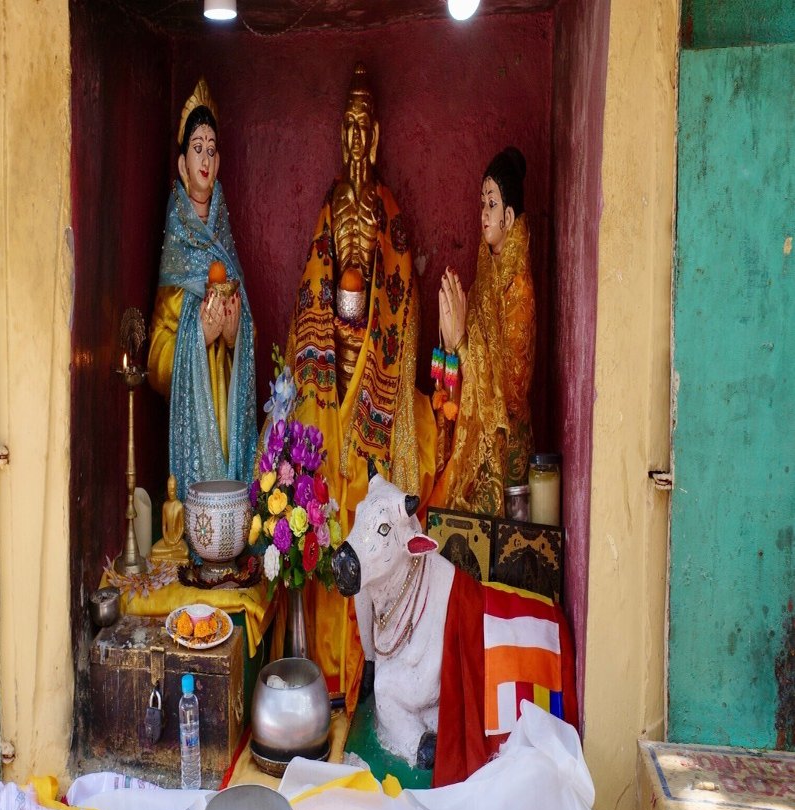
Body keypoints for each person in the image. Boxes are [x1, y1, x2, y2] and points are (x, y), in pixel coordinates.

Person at [284, 62, 436, 706]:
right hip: (332, 373)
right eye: (345, 130)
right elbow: (315, 284)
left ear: (374, 140)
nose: (353, 143)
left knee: (367, 521)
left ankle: (372, 676)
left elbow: (401, 298)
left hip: (370, 375)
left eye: (361, 131)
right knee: (323, 517)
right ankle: (327, 672)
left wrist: (371, 346)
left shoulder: (387, 214)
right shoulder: (330, 206)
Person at [147, 78, 256, 502]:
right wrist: (198, 337)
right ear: (181, 165)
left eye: (212, 149)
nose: (205, 159)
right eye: (197, 148)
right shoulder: (177, 248)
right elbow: (156, 355)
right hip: (194, 422)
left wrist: (233, 334)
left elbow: (247, 330)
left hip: (228, 412)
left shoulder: (224, 246)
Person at [430, 147, 536, 516]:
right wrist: (447, 342)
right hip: (476, 437)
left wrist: (461, 342)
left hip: (506, 456)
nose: (483, 214)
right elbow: (462, 372)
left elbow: (509, 391)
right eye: (481, 203)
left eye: (491, 204)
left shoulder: (518, 289)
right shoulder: (482, 287)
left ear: (508, 216)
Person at [149, 474, 189, 564]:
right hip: (167, 540)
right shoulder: (165, 505)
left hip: (177, 542)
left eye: (172, 490)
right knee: (154, 550)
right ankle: (168, 559)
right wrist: (166, 538)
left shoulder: (179, 506)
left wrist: (176, 540)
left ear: (175, 489)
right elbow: (164, 526)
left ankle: (172, 559)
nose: (171, 492)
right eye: (169, 490)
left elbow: (182, 527)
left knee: (185, 552)